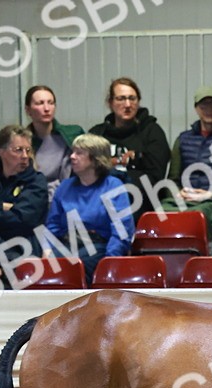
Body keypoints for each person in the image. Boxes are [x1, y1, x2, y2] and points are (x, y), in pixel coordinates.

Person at [43, 134, 134, 284]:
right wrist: (47, 250)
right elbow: (53, 225)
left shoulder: (113, 186)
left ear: (95, 159)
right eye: (72, 152)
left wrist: (110, 260)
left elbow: (121, 231)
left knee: (75, 268)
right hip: (68, 244)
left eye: (79, 153)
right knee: (45, 269)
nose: (72, 157)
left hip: (99, 246)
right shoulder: (65, 187)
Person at [159, 86, 212, 239]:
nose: (208, 109)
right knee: (159, 214)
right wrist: (178, 193)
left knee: (197, 215)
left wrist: (209, 194)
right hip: (184, 200)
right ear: (196, 109)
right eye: (203, 105)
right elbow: (172, 178)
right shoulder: (182, 139)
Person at [88, 77, 170, 209]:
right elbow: (84, 169)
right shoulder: (98, 134)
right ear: (110, 102)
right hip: (100, 197)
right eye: (121, 99)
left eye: (132, 98)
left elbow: (156, 174)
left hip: (139, 199)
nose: (127, 105)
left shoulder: (151, 131)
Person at [24, 85, 85, 198]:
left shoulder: (72, 134)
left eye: (51, 103)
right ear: (28, 110)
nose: (47, 108)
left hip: (72, 196)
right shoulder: (23, 142)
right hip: (36, 199)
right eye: (40, 103)